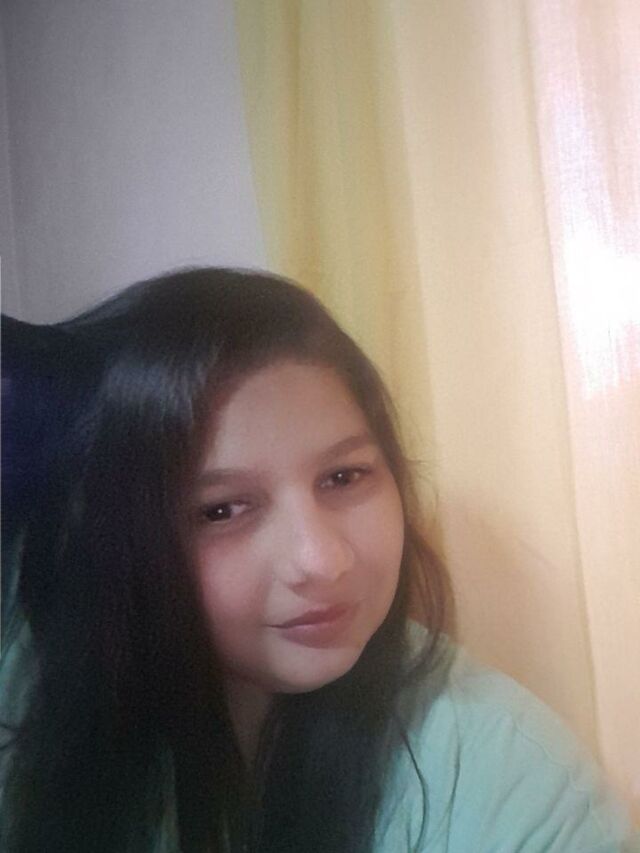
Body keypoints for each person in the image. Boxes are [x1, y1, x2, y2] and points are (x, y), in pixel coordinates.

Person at [0, 268, 636, 853]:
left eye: (343, 476)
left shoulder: (512, 779)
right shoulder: (31, 680)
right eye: (221, 509)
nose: (323, 561)